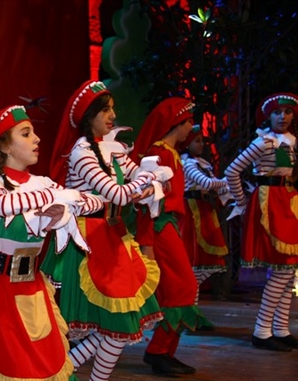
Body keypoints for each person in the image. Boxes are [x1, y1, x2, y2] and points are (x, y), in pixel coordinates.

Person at [0, 105, 104, 380]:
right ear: (5, 148)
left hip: (33, 286)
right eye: (26, 134)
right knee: (10, 366)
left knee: (45, 363)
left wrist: (66, 202)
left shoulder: (41, 182)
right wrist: (58, 199)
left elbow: (94, 201)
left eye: (34, 132)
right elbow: (4, 204)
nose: (36, 139)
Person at [44, 80, 168, 380]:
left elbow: (143, 175)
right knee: (117, 327)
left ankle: (62, 372)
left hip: (112, 234)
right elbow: (119, 194)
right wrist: (146, 183)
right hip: (90, 239)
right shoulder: (81, 152)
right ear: (89, 116)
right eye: (105, 110)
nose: (112, 115)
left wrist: (146, 181)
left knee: (119, 327)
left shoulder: (110, 147)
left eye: (112, 109)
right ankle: (63, 373)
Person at [131, 97, 209, 375]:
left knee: (180, 289)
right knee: (183, 287)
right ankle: (158, 351)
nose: (192, 127)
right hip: (159, 228)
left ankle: (164, 351)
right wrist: (147, 242)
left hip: (169, 227)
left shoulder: (172, 153)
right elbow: (145, 204)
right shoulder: (159, 153)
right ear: (178, 122)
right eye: (189, 122)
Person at [224, 92, 298, 352]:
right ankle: (262, 330)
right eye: (278, 112)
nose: (283, 117)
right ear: (269, 116)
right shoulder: (264, 143)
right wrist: (243, 202)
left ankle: (280, 328)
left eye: (288, 112)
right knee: (282, 269)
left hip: (288, 200)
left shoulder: (291, 142)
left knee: (289, 271)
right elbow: (232, 170)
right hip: (269, 202)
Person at [178, 125, 230, 307]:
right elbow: (206, 183)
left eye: (202, 141)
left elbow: (215, 186)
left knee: (200, 267)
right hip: (192, 212)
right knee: (192, 262)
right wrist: (229, 178)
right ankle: (187, 309)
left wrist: (230, 188)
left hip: (204, 210)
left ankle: (193, 308)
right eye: (197, 141)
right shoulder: (186, 163)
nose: (201, 145)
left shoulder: (201, 163)